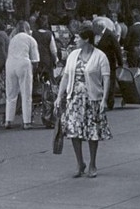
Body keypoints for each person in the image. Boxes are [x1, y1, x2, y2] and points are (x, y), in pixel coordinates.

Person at [54, 25, 112, 178]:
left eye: (78, 38)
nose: (75, 40)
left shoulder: (100, 56)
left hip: (92, 98)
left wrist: (104, 99)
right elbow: (66, 76)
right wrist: (60, 96)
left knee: (92, 132)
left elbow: (106, 78)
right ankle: (80, 163)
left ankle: (92, 163)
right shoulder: (73, 55)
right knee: (74, 131)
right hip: (74, 99)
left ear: (86, 39)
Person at [4, 21, 40, 130]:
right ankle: (27, 122)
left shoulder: (12, 39)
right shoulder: (30, 39)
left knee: (10, 94)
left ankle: (8, 120)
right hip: (23, 64)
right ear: (28, 29)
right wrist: (35, 72)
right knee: (26, 94)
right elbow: (35, 60)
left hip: (10, 64)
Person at [93, 18, 123, 110]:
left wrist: (120, 63)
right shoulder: (97, 35)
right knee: (101, 82)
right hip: (99, 63)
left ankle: (110, 103)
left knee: (110, 82)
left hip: (109, 62)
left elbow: (117, 49)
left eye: (95, 27)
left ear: (99, 27)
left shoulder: (110, 35)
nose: (93, 29)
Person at [32, 15, 58, 81]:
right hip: (46, 61)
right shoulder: (49, 34)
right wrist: (55, 61)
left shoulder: (33, 34)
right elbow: (53, 51)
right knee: (46, 81)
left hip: (36, 60)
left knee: (36, 81)